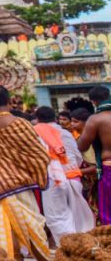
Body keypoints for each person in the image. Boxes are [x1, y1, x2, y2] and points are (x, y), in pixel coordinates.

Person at [0, 85, 50, 261]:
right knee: (32, 226)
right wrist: (32, 172)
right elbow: (40, 155)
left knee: (2, 230)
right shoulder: (22, 124)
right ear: (10, 100)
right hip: (20, 184)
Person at [34, 106, 93, 245]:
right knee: (77, 215)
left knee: (57, 217)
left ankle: (69, 247)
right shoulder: (65, 133)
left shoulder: (35, 133)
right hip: (73, 178)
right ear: (54, 118)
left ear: (38, 119)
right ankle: (83, 246)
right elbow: (78, 157)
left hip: (53, 180)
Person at [77, 85, 111, 226]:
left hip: (109, 167)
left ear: (93, 102)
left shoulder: (96, 119)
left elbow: (82, 146)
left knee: (109, 212)